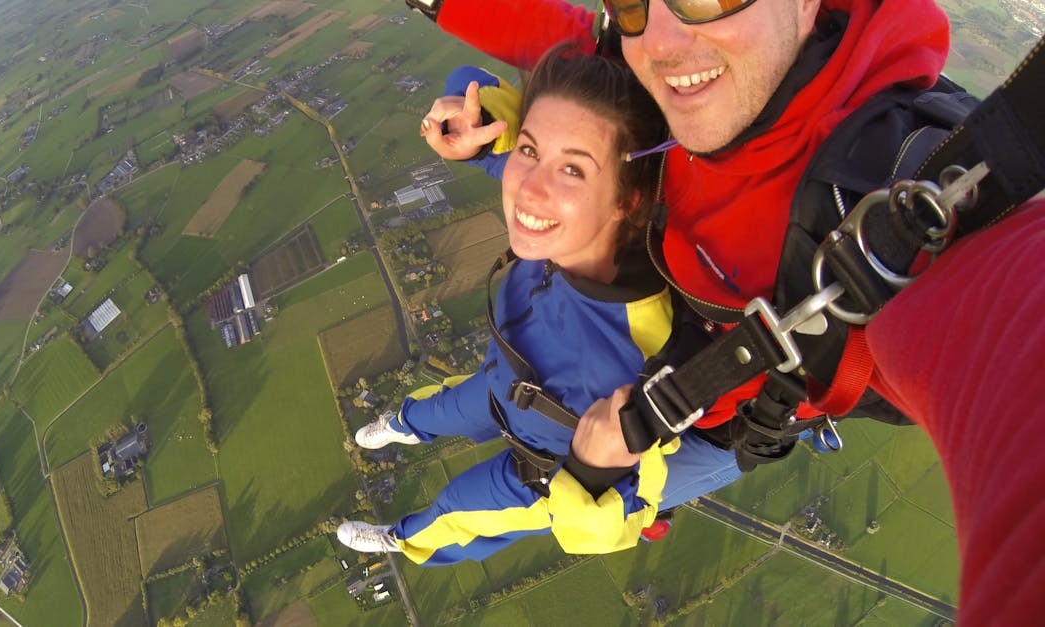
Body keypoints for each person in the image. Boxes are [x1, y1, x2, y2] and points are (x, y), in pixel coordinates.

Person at [403, 0, 1045, 621]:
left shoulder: (887, 199)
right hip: (650, 357)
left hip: (711, 426)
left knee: (583, 502)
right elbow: (580, 49)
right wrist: (505, 130)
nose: (657, 42)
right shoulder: (699, 72)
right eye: (632, 3)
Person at [335, 46, 742, 566]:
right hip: (496, 384)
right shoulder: (574, 223)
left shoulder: (650, 352)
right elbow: (477, 90)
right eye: (529, 151)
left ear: (627, 202)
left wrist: (593, 473)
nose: (528, 186)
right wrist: (477, 121)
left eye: (572, 169)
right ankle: (402, 425)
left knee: (456, 514)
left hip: (544, 471)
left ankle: (400, 537)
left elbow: (615, 521)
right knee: (433, 410)